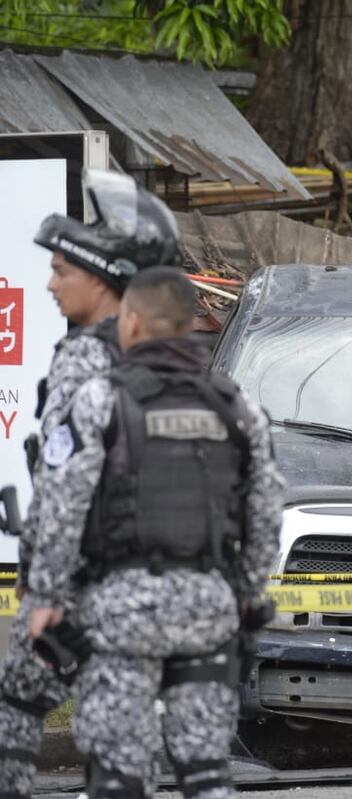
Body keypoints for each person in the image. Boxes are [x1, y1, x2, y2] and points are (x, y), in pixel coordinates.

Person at [24, 267, 283, 798]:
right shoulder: (238, 408)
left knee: (118, 770)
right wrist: (245, 589)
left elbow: (62, 506)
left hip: (122, 609)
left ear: (133, 323)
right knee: (205, 768)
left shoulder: (100, 400)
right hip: (207, 608)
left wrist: (47, 596)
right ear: (190, 324)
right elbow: (266, 511)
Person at [0, 170, 182, 798]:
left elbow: (65, 484)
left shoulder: (85, 357)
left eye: (61, 271)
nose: (50, 285)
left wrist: (43, 583)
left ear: (103, 278)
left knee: (20, 706)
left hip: (89, 583)